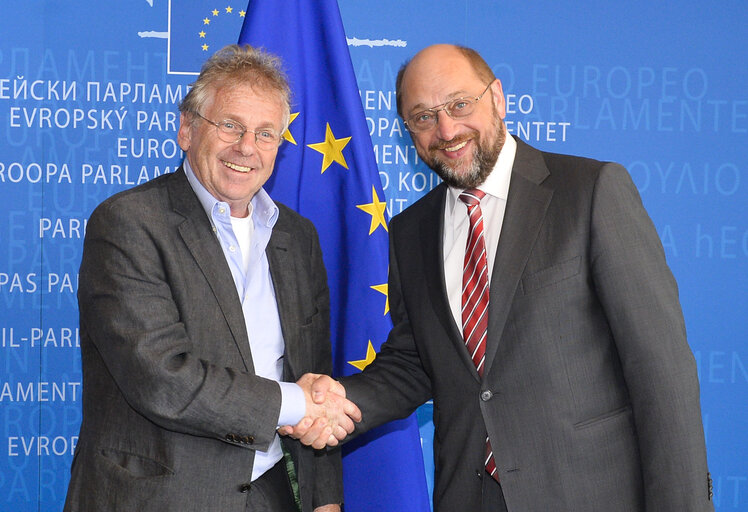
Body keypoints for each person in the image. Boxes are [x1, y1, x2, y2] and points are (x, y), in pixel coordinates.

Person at [283, 44, 714, 512]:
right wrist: (338, 400)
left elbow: (661, 372)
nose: (446, 130)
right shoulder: (409, 232)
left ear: (498, 98)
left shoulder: (590, 193)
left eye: (459, 105)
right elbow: (417, 362)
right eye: (423, 117)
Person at [63, 44, 360, 512]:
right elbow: (162, 378)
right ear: (186, 129)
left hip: (271, 495)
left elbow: (310, 372)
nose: (247, 147)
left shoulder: (296, 237)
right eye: (230, 125)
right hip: (159, 496)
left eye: (266, 133)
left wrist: (324, 499)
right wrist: (301, 406)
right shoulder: (128, 223)